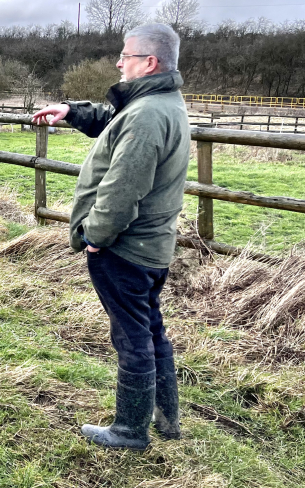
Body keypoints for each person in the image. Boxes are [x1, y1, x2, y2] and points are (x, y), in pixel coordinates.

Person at [32, 23, 188, 450]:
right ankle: (166, 419)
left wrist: (95, 236)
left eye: (126, 56)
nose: (119, 63)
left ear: (150, 62)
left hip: (126, 249)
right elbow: (113, 122)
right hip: (150, 247)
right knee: (150, 327)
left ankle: (129, 430)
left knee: (132, 335)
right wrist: (71, 111)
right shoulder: (158, 104)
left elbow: (122, 189)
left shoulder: (148, 114)